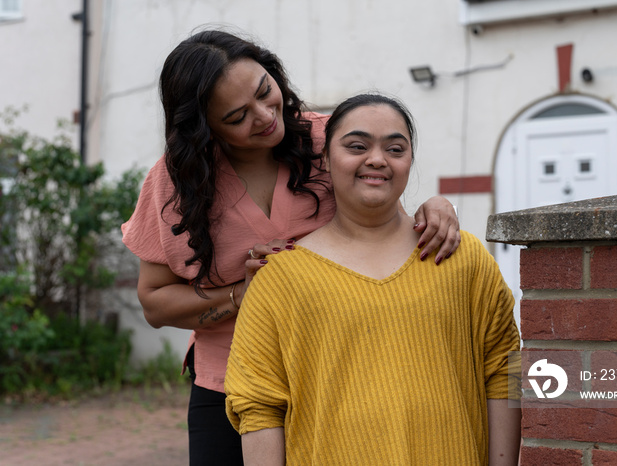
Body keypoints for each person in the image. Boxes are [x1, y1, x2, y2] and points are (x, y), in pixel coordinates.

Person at [120, 30, 460, 465]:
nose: (265, 116)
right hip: (227, 383)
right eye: (238, 116)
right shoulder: (174, 182)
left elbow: (384, 214)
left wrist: (435, 206)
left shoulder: (326, 141)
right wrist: (240, 296)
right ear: (204, 128)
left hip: (335, 374)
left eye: (266, 91)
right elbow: (154, 303)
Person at [225, 93, 522, 465]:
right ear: (327, 160)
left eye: (395, 149)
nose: (378, 159)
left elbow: (503, 370)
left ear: (410, 161)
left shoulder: (463, 259)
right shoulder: (280, 279)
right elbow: (259, 405)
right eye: (357, 146)